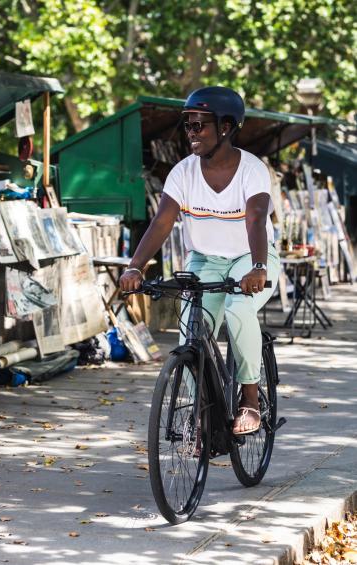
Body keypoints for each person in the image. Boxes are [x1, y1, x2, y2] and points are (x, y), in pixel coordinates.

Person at [119, 86, 281, 435]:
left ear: (226, 127)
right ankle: (203, 415)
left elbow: (255, 219)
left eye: (200, 125)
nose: (191, 133)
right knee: (191, 332)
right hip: (204, 260)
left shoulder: (252, 170)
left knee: (239, 310)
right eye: (188, 125)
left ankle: (250, 401)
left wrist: (258, 267)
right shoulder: (183, 172)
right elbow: (162, 221)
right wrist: (135, 266)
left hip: (250, 259)